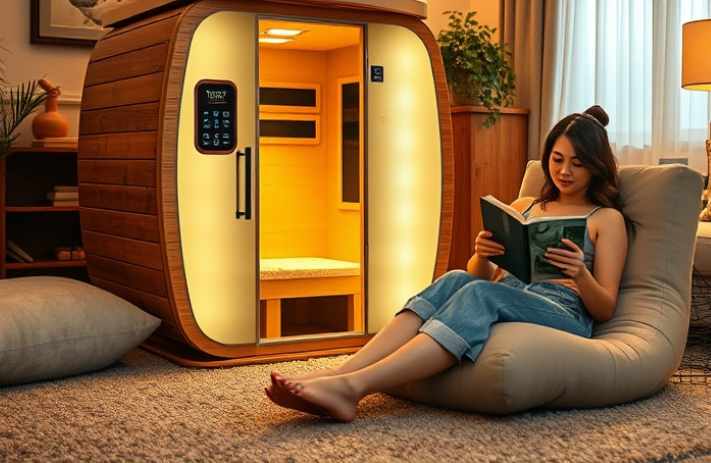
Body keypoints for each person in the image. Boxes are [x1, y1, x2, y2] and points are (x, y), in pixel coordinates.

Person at [264, 105, 629, 422]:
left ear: (595, 166)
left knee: (485, 296)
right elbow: (481, 278)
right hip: (511, 293)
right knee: (457, 275)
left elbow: (605, 308)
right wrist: (483, 255)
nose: (564, 171)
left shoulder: (605, 219)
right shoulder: (526, 207)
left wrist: (580, 272)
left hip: (564, 311)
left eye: (577, 164)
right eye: (557, 159)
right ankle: (339, 373)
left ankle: (353, 388)